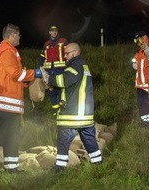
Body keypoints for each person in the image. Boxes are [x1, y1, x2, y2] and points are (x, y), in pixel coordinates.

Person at [0, 23, 42, 177]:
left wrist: (26, 81)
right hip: (2, 104)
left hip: (8, 105)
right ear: (12, 35)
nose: (20, 37)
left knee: (12, 136)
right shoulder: (6, 51)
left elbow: (12, 77)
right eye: (18, 35)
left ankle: (12, 168)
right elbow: (16, 74)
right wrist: (35, 73)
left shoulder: (7, 50)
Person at [41, 42, 102, 172]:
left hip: (73, 113)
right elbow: (72, 86)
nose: (65, 57)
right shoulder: (83, 66)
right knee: (89, 139)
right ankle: (98, 164)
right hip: (86, 113)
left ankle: (59, 168)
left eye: (67, 54)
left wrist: (49, 79)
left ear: (75, 53)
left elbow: (65, 80)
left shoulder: (75, 65)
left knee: (63, 140)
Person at [39, 26, 68, 115]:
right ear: (49, 32)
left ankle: (62, 111)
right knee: (51, 92)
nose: (54, 32)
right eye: (52, 31)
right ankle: (55, 112)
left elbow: (68, 52)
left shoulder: (63, 41)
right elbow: (42, 56)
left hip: (60, 70)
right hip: (49, 72)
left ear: (57, 32)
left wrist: (69, 65)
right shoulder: (46, 43)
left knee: (61, 91)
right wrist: (41, 67)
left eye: (55, 31)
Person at [132, 31, 149, 127]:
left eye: (138, 40)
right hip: (140, 83)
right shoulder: (139, 52)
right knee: (142, 103)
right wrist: (133, 63)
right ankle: (145, 121)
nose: (137, 42)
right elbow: (135, 60)